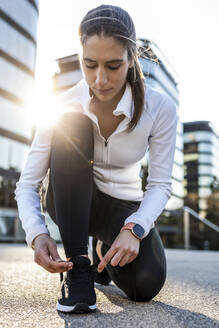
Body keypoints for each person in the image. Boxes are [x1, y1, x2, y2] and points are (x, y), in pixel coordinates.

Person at [15, 4, 178, 314]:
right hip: (73, 200)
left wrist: (135, 229)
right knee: (71, 121)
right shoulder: (63, 104)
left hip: (123, 209)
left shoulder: (161, 109)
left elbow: (159, 185)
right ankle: (78, 268)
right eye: (90, 64)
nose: (100, 79)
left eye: (113, 65)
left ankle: (101, 246)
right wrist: (36, 235)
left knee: (145, 284)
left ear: (132, 59)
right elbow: (27, 184)